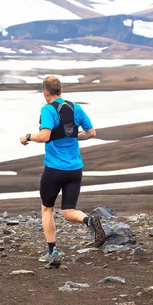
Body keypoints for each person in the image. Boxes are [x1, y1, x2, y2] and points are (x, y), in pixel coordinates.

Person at [20, 76, 106, 266]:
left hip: (54, 169)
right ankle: (89, 220)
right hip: (75, 169)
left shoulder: (47, 109)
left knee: (47, 209)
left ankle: (53, 252)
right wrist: (74, 136)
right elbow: (91, 132)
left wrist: (27, 136)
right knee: (68, 211)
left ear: (45, 92)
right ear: (61, 90)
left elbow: (44, 136)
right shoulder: (76, 108)